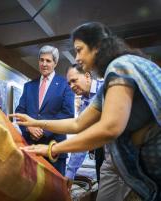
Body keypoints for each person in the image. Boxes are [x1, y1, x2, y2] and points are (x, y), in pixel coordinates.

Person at [11, 22, 161, 201]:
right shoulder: (109, 82)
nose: (77, 57)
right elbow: (77, 123)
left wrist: (52, 148)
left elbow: (110, 128)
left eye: (79, 50)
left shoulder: (120, 67)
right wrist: (34, 122)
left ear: (97, 46)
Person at [66, 64, 130, 201]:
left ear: (87, 76)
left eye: (74, 80)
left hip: (128, 154)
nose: (71, 86)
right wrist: (70, 172)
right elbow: (82, 139)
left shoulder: (108, 88)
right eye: (69, 83)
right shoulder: (84, 106)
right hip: (107, 155)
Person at [15, 45, 75, 175]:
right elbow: (19, 112)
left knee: (54, 193)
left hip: (54, 149)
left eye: (48, 61)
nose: (44, 64)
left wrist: (43, 130)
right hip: (30, 147)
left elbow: (67, 114)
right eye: (41, 60)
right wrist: (29, 128)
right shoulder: (28, 86)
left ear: (55, 63)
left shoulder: (66, 85)